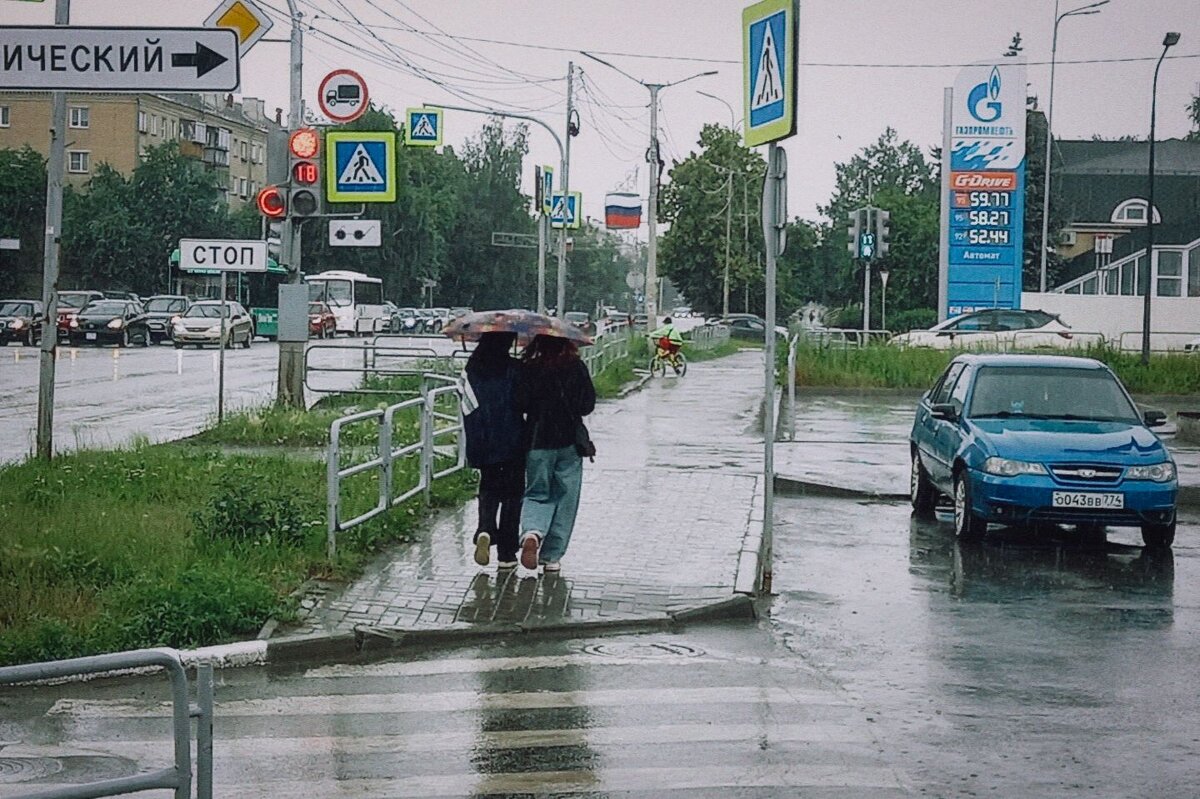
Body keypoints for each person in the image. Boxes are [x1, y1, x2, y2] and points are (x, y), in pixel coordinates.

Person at [515, 334, 596, 572]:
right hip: (570, 441)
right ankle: (551, 557)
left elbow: (520, 403)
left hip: (537, 441)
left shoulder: (530, 367)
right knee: (566, 498)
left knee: (537, 492)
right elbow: (587, 405)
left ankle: (532, 532)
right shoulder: (575, 366)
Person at [463, 332, 525, 569]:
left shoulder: (472, 368)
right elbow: (524, 401)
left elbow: (465, 402)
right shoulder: (515, 368)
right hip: (512, 437)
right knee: (512, 494)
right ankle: (507, 554)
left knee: (488, 487)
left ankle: (485, 529)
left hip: (481, 437)